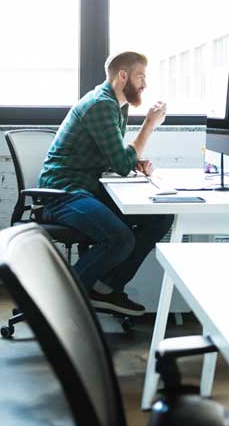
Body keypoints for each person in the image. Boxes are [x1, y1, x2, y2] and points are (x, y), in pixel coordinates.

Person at [37, 51, 173, 316]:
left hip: (85, 188)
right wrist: (148, 125)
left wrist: (134, 160)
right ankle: (58, 301)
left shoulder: (116, 105)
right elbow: (121, 164)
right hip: (62, 194)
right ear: (123, 76)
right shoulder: (101, 104)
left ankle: (104, 288)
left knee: (160, 216)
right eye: (140, 76)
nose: (145, 84)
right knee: (119, 237)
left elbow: (115, 159)